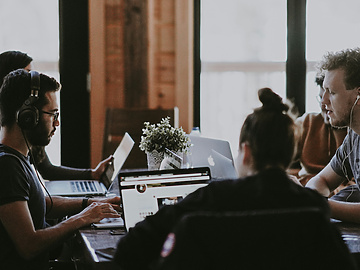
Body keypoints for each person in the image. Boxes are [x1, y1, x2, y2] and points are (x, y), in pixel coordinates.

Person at [113, 88, 330, 269]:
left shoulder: (210, 199)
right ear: (290, 153)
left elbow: (130, 247)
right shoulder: (314, 207)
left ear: (245, 152)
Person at [0, 69, 121, 270]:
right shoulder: (7, 167)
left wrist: (93, 203)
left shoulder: (18, 158)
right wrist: (83, 218)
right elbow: (29, 245)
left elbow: (42, 203)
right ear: (28, 116)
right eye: (53, 114)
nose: (57, 123)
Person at [0, 50, 112, 181]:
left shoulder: (31, 121)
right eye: (27, 74)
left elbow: (48, 170)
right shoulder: (12, 140)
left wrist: (92, 174)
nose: (33, 83)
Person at [306, 47, 360, 223]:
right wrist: (314, 197)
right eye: (324, 91)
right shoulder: (354, 136)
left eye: (333, 93)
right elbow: (321, 179)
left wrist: (318, 204)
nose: (323, 102)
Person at [289, 74, 348, 188]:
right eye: (321, 97)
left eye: (331, 98)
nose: (323, 105)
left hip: (339, 192)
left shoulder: (354, 132)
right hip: (309, 187)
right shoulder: (307, 122)